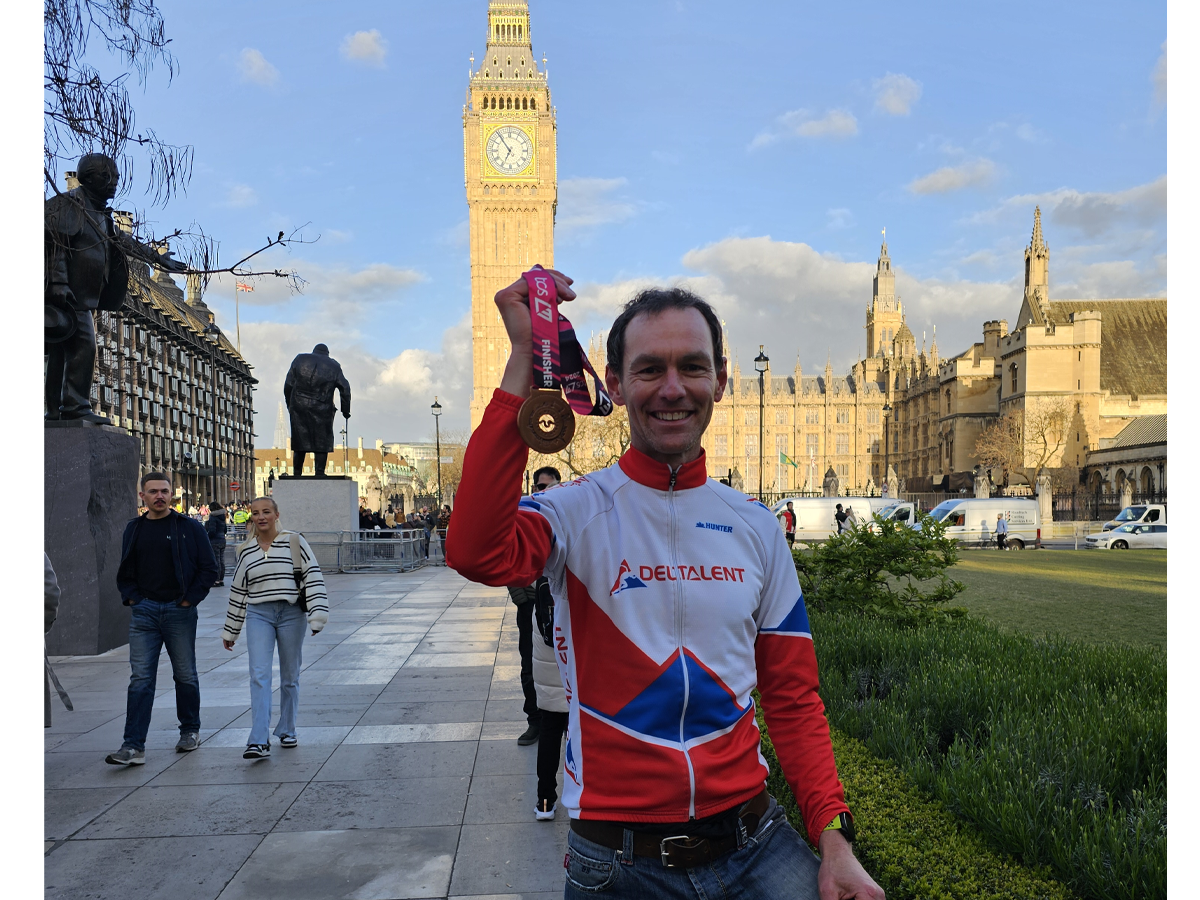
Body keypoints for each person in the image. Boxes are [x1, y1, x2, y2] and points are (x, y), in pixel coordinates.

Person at [446, 272, 882, 899]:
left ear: (721, 382)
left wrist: (834, 839)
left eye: (692, 368)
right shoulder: (574, 511)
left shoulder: (758, 526)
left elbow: (792, 698)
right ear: (615, 385)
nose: (673, 389)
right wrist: (523, 358)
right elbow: (475, 550)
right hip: (620, 864)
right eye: (650, 370)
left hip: (754, 845)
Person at [106, 472, 219, 765]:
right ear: (142, 496)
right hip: (144, 612)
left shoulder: (189, 527)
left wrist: (187, 600)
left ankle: (190, 730)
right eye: (153, 491)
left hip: (178, 611)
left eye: (164, 491)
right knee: (140, 679)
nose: (159, 496)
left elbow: (209, 568)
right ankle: (133, 746)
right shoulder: (134, 528)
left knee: (185, 674)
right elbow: (125, 569)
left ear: (172, 495)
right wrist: (132, 597)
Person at [220, 497, 328, 759]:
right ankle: (258, 739)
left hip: (291, 613)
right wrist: (231, 629)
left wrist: (317, 615)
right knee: (259, 674)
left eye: (266, 512)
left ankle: (287, 729)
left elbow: (312, 575)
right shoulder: (245, 550)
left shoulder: (294, 541)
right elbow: (238, 591)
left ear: (276, 514)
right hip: (259, 614)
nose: (261, 517)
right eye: (255, 513)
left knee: (290, 675)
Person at [507, 466, 561, 747]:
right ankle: (535, 720)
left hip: (561, 606)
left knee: (563, 666)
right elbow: (511, 561)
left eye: (548, 487)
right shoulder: (526, 515)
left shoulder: (565, 521)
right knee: (530, 666)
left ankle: (564, 720)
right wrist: (523, 595)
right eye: (539, 487)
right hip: (530, 606)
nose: (542, 492)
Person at [531, 573, 568, 820]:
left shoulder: (543, 578)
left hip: (549, 667)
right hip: (575, 668)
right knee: (582, 736)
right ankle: (587, 796)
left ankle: (545, 802)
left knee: (549, 733)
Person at [205, 502, 229, 587]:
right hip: (222, 540)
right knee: (221, 560)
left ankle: (216, 580)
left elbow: (212, 530)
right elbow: (225, 529)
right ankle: (221, 579)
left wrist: (207, 537)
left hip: (215, 540)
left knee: (216, 560)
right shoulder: (222, 516)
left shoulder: (213, 517)